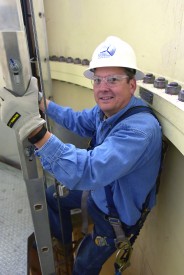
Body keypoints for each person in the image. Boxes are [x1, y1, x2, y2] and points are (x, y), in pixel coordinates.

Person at [0, 36, 162, 275]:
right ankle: (63, 247)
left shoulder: (139, 130)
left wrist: (35, 132)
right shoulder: (107, 111)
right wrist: (41, 103)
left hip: (114, 217)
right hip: (100, 192)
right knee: (50, 196)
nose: (103, 87)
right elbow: (78, 120)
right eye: (98, 80)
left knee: (82, 267)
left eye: (113, 80)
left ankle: (73, 262)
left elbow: (87, 171)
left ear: (131, 85)